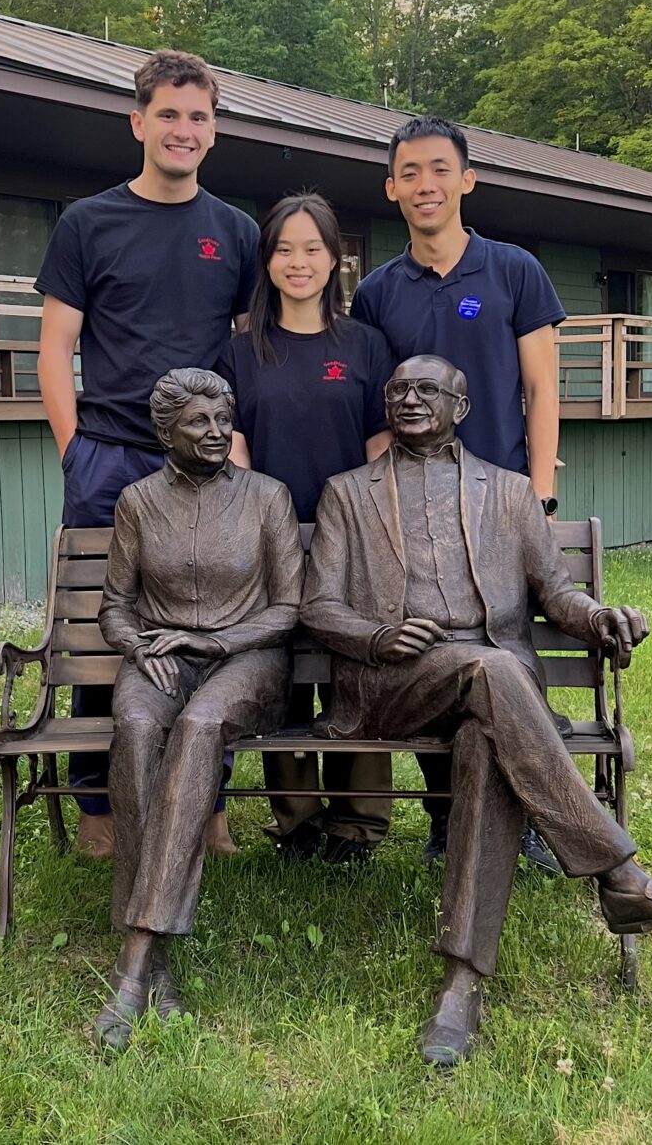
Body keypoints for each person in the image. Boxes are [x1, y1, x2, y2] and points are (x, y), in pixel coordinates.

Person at [301, 355, 652, 1066]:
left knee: (487, 744)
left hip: (493, 696)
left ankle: (459, 992)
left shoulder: (512, 492)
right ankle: (619, 877)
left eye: (427, 390)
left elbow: (556, 594)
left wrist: (600, 615)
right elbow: (316, 607)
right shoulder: (347, 493)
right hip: (393, 686)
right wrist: (377, 634)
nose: (409, 399)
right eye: (398, 390)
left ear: (461, 405)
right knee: (491, 670)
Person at [36, 49, 258, 860]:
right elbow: (54, 350)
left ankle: (209, 808)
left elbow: (243, 351)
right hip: (106, 459)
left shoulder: (234, 233)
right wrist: (74, 452)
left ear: (213, 132)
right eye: (168, 113)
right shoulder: (87, 223)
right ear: (138, 123)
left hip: (202, 467)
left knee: (214, 628)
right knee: (100, 638)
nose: (183, 129)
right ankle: (99, 808)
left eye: (198, 116)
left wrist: (232, 447)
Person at [351, 115, 566, 868]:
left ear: (467, 179)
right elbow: (376, 406)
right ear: (392, 188)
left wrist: (539, 496)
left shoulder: (514, 271)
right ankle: (447, 818)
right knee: (434, 651)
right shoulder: (377, 292)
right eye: (409, 173)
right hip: (417, 508)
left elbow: (543, 390)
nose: (425, 185)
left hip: (501, 505)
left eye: (439, 170)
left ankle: (530, 818)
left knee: (506, 647)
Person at [95, 368, 304, 1052]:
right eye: (199, 422)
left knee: (199, 725)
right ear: (166, 431)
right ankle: (155, 958)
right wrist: (137, 644)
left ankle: (135, 958)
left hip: (249, 660)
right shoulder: (136, 502)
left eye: (224, 419)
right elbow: (115, 607)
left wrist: (214, 638)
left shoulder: (267, 497)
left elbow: (289, 609)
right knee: (133, 725)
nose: (216, 432)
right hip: (160, 656)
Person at [217, 192, 395, 862]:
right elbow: (231, 448)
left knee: (356, 671)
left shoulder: (366, 346)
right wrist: (261, 523)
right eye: (284, 248)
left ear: (335, 259)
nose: (299, 261)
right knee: (284, 674)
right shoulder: (238, 352)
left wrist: (369, 522)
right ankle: (294, 820)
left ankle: (357, 824)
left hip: (353, 541)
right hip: (272, 540)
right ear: (268, 260)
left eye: (312, 248)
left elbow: (383, 445)